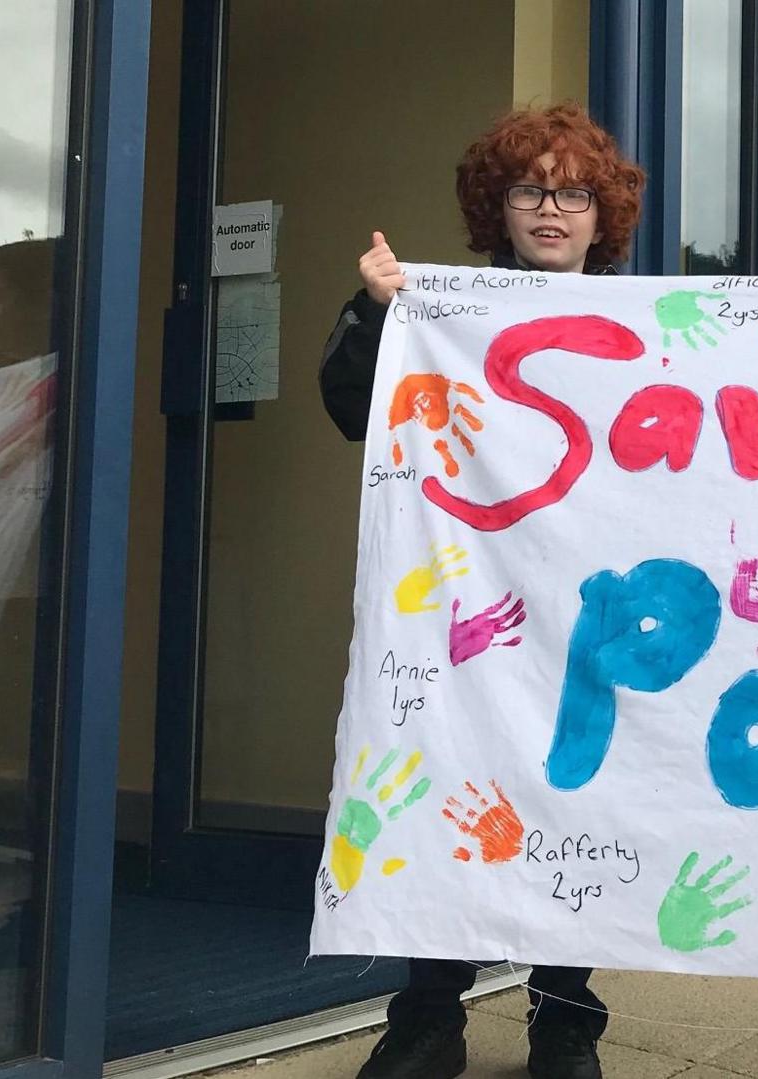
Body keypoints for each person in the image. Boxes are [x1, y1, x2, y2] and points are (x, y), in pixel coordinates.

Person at [318, 103, 645, 1079]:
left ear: (602, 214)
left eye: (574, 191)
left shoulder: (650, 326)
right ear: (495, 207)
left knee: (576, 796)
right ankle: (427, 1017)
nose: (552, 208)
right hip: (466, 605)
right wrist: (374, 311)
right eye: (531, 188)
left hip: (589, 611)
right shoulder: (438, 316)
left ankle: (564, 1017)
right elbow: (350, 408)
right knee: (449, 781)